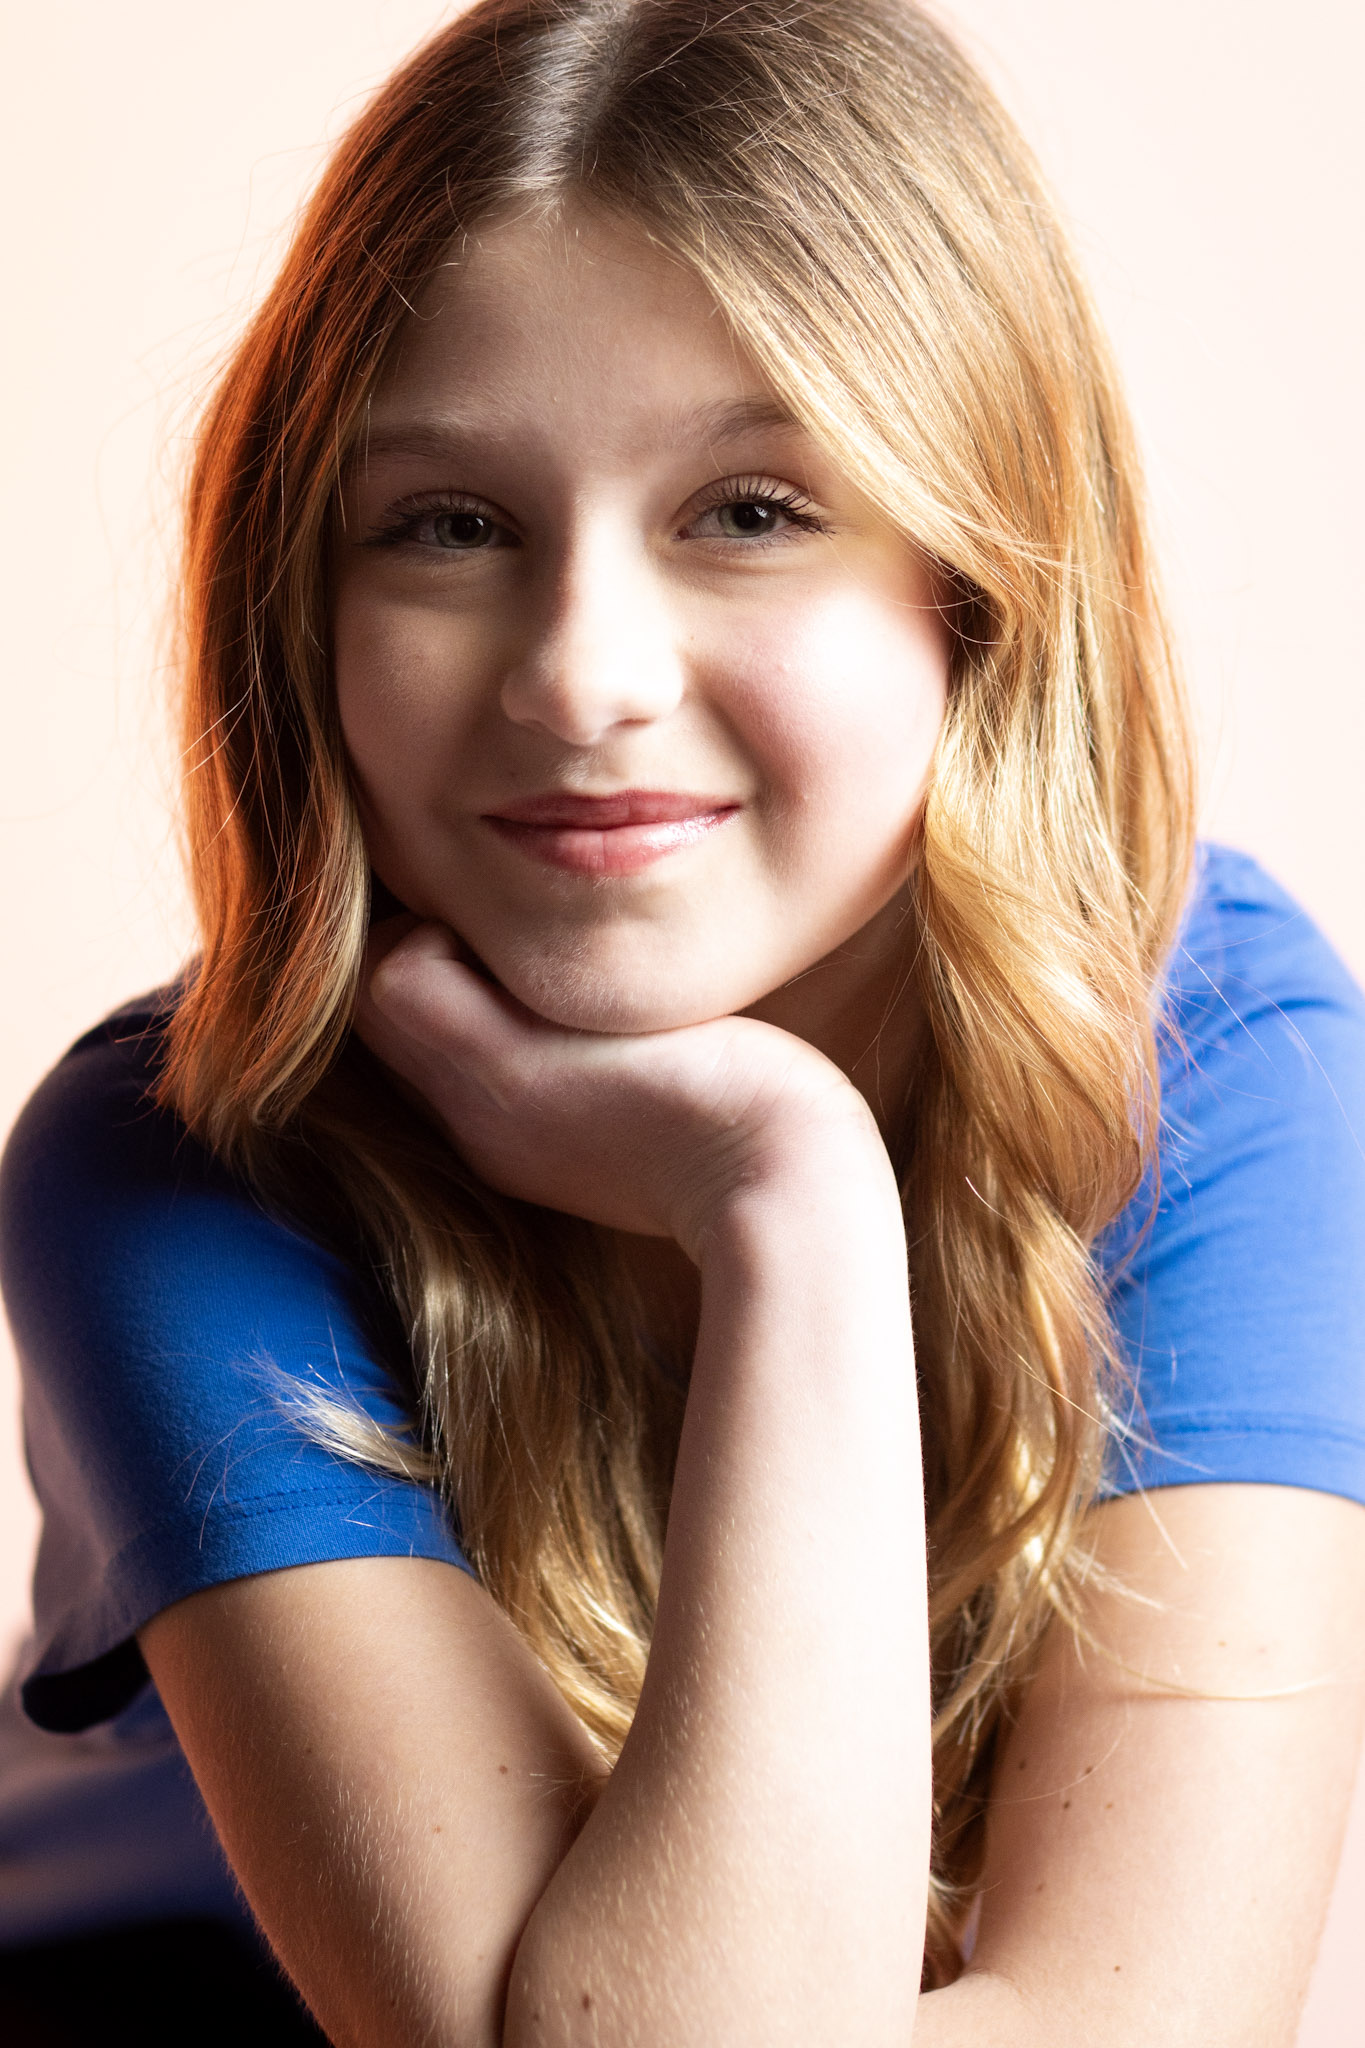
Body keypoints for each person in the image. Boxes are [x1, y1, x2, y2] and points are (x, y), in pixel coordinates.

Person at [2, 0, 1364, 2041]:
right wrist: (790, 1197)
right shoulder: (174, 1160)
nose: (581, 674)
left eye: (748, 510)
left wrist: (771, 1189)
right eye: (449, 525)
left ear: (975, 585)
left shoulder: (1217, 1048)